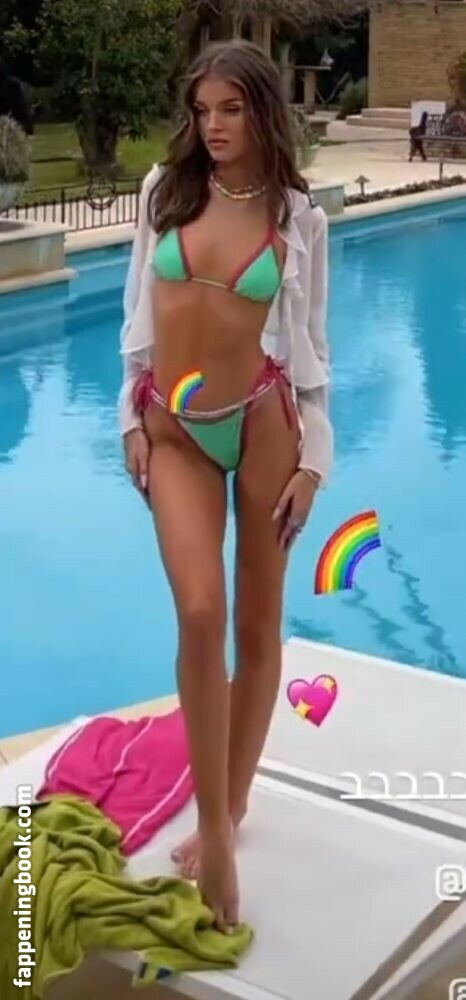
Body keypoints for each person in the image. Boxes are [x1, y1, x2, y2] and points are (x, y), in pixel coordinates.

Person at [119, 40, 333, 933]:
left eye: (231, 109)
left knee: (256, 624)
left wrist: (315, 462)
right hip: (174, 427)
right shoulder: (163, 193)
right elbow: (136, 325)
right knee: (201, 613)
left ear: (262, 112)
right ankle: (211, 824)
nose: (213, 126)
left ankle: (229, 814)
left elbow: (312, 350)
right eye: (202, 109)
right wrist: (129, 422)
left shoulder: (298, 216)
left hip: (264, 421)